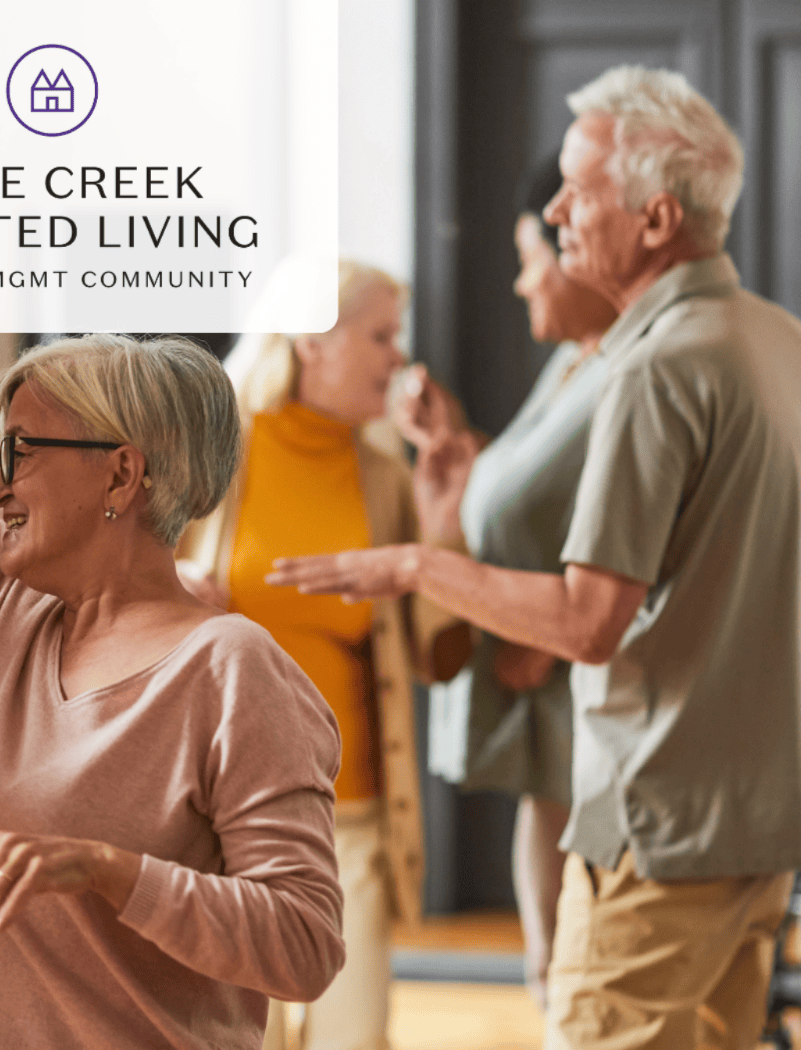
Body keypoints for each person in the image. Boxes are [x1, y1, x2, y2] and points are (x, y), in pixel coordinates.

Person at [272, 65, 801, 1050]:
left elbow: (586, 624)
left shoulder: (654, 368)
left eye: (578, 191)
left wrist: (417, 566)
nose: (554, 213)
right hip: (761, 827)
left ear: (656, 218)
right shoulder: (777, 339)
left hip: (656, 826)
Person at [0, 275, 346, 1047]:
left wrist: (110, 870)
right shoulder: (10, 606)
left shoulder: (233, 670)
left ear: (121, 474)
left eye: (20, 452)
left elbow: (303, 944)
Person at [181, 261, 461, 1050]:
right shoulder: (207, 457)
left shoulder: (386, 478)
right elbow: (114, 603)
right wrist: (173, 590)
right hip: (221, 815)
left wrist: (442, 521)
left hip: (352, 818)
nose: (399, 357)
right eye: (381, 335)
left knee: (353, 1036)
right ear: (311, 340)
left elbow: (443, 658)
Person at [394, 156, 618, 1008]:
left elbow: (653, 528)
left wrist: (556, 643)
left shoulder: (630, 375)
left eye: (531, 258)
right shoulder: (569, 365)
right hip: (549, 709)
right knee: (556, 967)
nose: (523, 283)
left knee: (595, 970)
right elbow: (537, 489)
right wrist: (460, 449)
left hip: (585, 685)